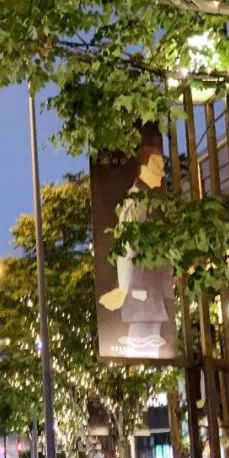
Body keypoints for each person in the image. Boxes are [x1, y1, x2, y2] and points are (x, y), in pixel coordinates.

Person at [98, 144, 172, 358]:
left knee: (147, 353)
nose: (163, 173)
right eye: (158, 167)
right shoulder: (137, 201)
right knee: (145, 353)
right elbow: (128, 247)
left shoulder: (146, 200)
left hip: (148, 295)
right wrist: (125, 288)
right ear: (144, 168)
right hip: (143, 297)